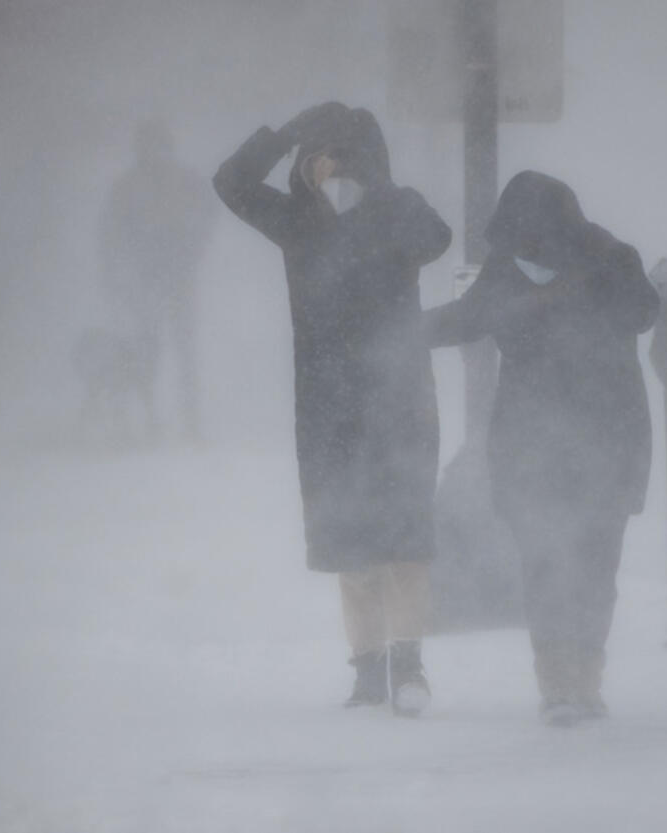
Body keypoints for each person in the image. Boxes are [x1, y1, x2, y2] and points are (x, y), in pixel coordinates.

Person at [213, 103, 451, 715]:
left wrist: (381, 191)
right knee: (352, 544)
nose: (326, 169)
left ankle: (409, 665)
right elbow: (230, 183)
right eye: (315, 156)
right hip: (328, 403)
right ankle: (369, 671)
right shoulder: (297, 220)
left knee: (404, 542)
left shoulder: (397, 211)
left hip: (399, 398)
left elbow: (437, 237)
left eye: (341, 156)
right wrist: (284, 133)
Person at [424, 171, 659, 726]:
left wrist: (578, 287)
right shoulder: (507, 268)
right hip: (532, 446)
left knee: (596, 566)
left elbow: (644, 313)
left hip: (606, 441)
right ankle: (558, 682)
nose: (523, 253)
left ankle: (586, 678)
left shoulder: (610, 258)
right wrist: (393, 330)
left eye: (530, 240)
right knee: (544, 562)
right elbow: (465, 319)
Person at [98, 120, 216, 441]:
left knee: (178, 351)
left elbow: (206, 218)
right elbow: (110, 234)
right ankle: (145, 421)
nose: (153, 153)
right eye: (149, 146)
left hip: (174, 277)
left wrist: (192, 249)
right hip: (146, 280)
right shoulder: (129, 187)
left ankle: (187, 422)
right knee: (146, 350)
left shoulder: (182, 183)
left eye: (157, 145)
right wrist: (115, 275)